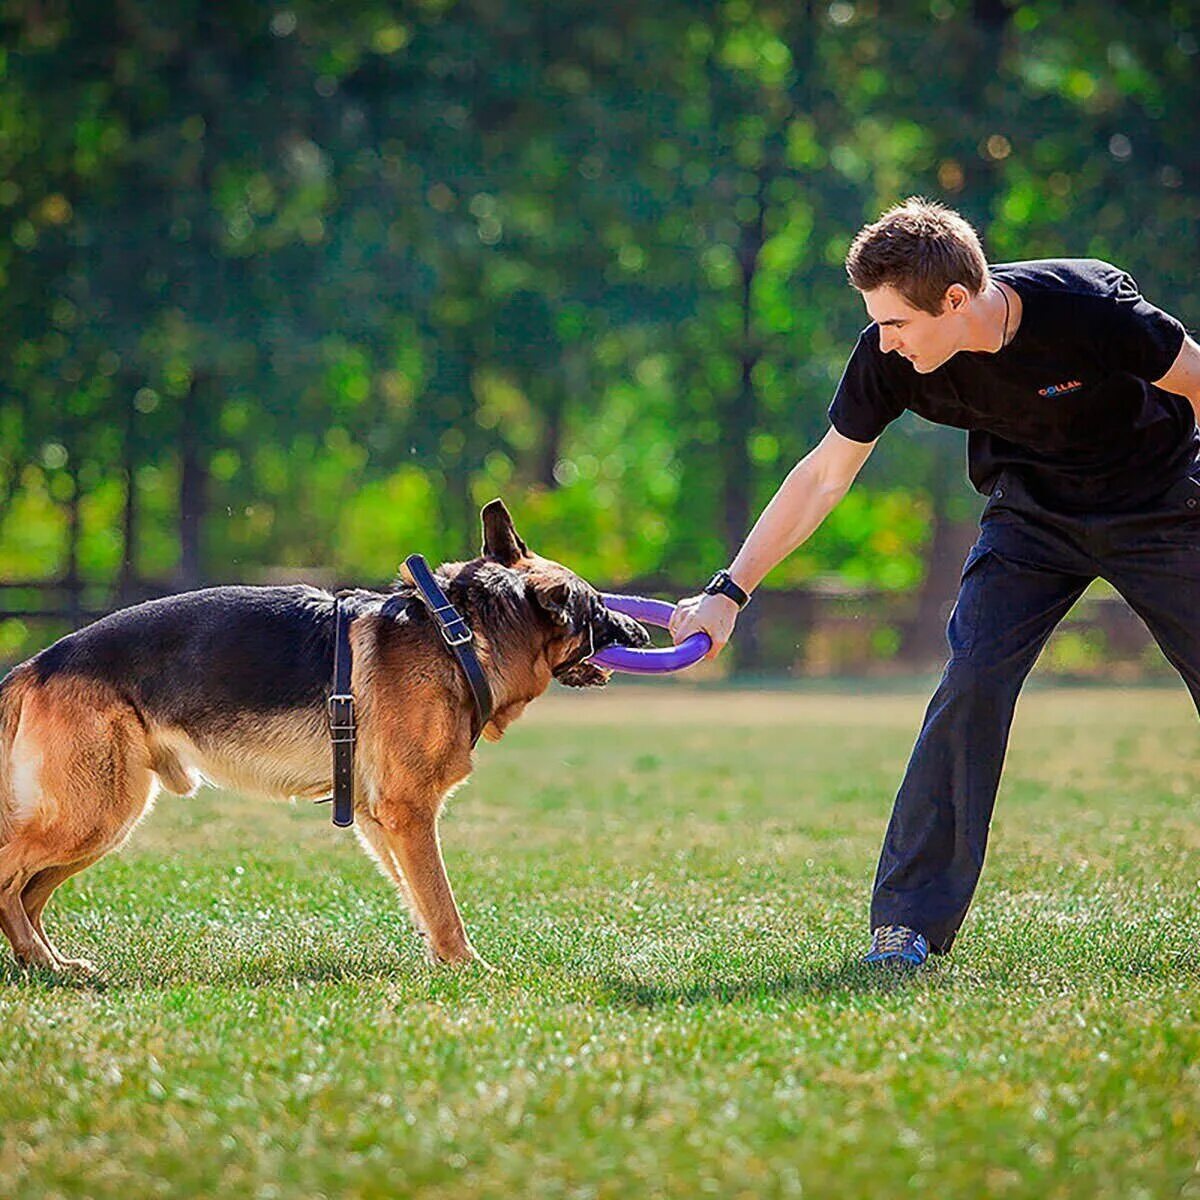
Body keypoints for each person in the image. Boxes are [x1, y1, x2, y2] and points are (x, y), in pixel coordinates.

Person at [670, 197, 1200, 966]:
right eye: (878, 322)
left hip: (1159, 502)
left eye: (897, 323)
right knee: (973, 681)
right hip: (1032, 519)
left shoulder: (1086, 305)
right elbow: (822, 477)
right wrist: (729, 592)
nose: (884, 340)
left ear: (956, 301)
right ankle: (910, 922)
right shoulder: (889, 359)